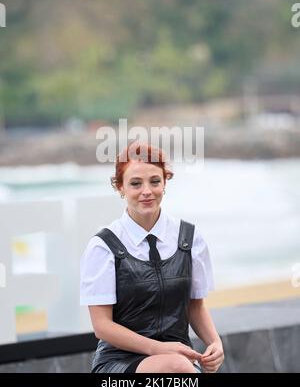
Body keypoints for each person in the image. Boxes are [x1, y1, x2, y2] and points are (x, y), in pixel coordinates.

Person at [80, 142, 224, 373]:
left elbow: (195, 307)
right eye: (135, 183)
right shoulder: (103, 246)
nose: (146, 190)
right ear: (120, 188)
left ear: (165, 183)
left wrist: (215, 343)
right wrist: (159, 349)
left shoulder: (190, 238)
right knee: (176, 366)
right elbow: (102, 326)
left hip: (179, 361)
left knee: (178, 366)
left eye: (155, 181)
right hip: (119, 364)